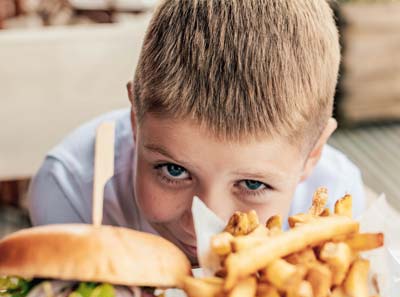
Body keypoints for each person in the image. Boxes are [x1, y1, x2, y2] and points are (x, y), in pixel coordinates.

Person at [28, 0, 365, 264]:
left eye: (253, 184)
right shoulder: (70, 191)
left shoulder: (336, 206)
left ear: (314, 153)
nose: (206, 226)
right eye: (174, 171)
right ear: (136, 120)